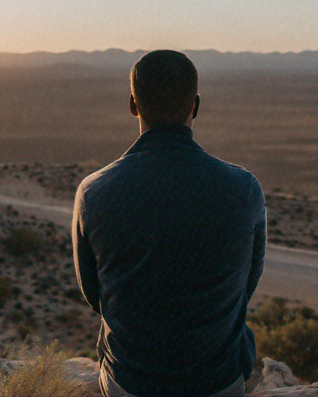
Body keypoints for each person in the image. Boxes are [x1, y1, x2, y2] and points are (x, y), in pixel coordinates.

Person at [72, 50, 266, 397]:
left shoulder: (94, 192)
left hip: (130, 383)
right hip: (218, 382)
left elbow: (94, 293)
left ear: (133, 104)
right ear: (195, 106)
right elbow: (246, 284)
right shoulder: (244, 188)